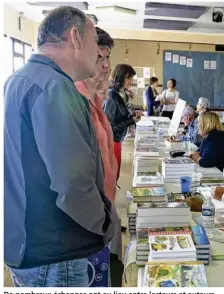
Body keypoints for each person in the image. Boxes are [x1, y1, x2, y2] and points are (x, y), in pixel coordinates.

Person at [4, 6, 116, 287]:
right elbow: (73, 184)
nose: (97, 53)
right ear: (75, 37)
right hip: (55, 250)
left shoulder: (19, 80)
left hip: (29, 243)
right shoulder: (55, 87)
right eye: (94, 44)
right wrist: (106, 223)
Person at [74, 27, 124, 286]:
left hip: (103, 210)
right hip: (89, 223)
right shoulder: (76, 101)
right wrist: (99, 219)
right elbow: (74, 177)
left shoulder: (95, 100)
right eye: (98, 58)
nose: (105, 66)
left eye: (108, 58)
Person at [104, 64, 142, 181]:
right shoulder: (112, 96)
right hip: (113, 140)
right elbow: (110, 127)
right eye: (128, 78)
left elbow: (123, 112)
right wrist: (131, 120)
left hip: (119, 139)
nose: (131, 82)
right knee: (113, 175)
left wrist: (133, 115)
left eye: (132, 79)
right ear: (119, 77)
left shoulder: (121, 94)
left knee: (116, 173)